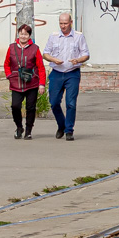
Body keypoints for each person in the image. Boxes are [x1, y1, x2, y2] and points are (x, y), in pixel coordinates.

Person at [42, 12, 90, 141]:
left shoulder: (79, 37)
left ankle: (69, 130)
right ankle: (61, 125)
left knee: (71, 103)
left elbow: (86, 54)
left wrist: (78, 60)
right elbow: (45, 53)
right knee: (54, 102)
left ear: (70, 23)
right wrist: (53, 59)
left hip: (72, 73)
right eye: (61, 23)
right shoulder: (54, 36)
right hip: (57, 72)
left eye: (65, 23)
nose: (63, 26)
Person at [4, 24, 46, 140]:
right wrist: (9, 75)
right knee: (15, 106)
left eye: (26, 34)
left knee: (30, 108)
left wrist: (41, 84)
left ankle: (28, 131)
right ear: (18, 34)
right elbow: (6, 64)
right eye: (21, 33)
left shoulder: (35, 49)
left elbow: (41, 67)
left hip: (31, 82)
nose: (23, 36)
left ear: (29, 36)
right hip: (16, 83)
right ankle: (19, 127)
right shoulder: (12, 48)